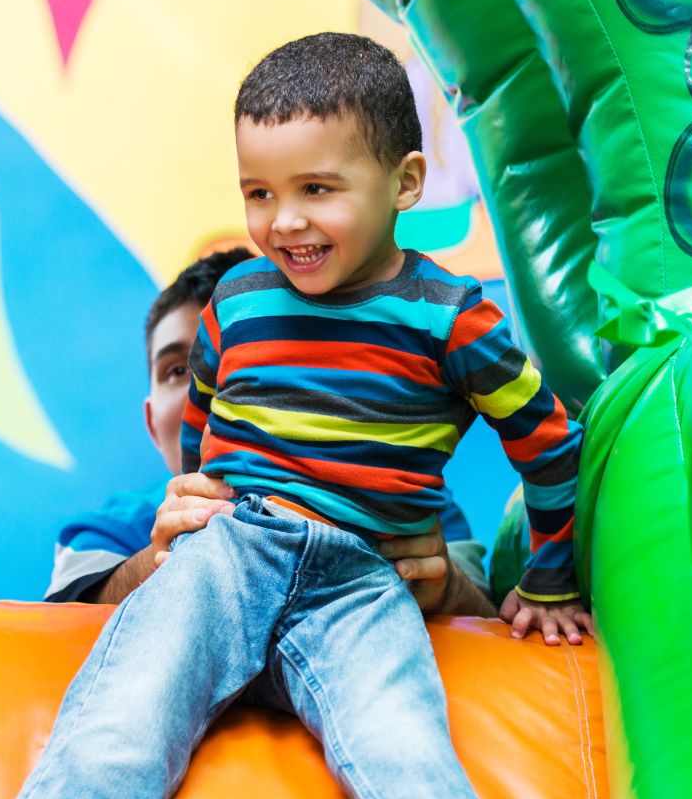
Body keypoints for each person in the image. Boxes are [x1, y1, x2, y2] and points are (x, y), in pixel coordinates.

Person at [0, 33, 594, 799]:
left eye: (317, 190)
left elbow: (549, 441)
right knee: (133, 696)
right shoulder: (238, 300)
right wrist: (200, 495)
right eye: (257, 193)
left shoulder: (455, 319)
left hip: (365, 573)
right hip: (233, 543)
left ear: (406, 181)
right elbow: (207, 412)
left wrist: (546, 577)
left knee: (398, 727)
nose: (283, 221)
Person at [45, 248, 495, 615]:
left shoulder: (411, 505)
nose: (215, 383)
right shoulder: (118, 528)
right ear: (152, 423)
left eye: (247, 355)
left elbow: (485, 614)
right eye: (179, 369)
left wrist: (447, 587)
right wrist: (163, 560)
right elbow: (54, 622)